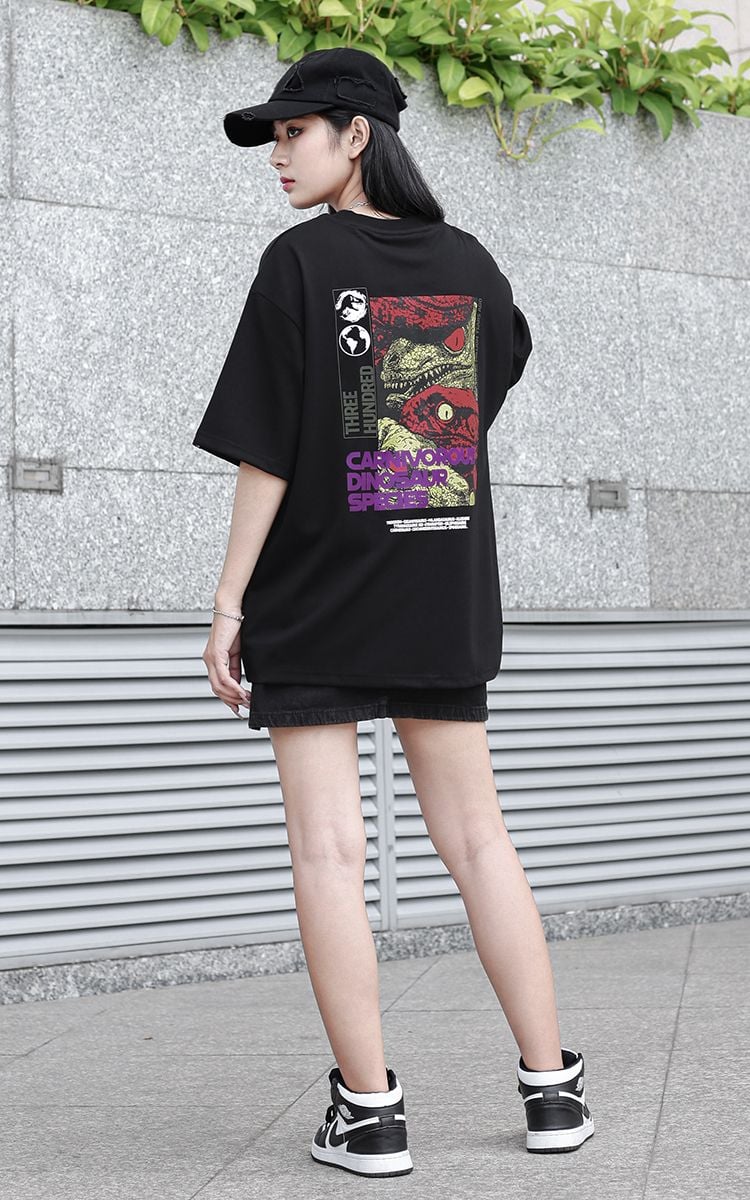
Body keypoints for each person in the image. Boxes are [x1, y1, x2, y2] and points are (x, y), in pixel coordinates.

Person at [192, 46, 594, 1177]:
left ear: (356, 134)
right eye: (273, 137)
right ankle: (552, 1092)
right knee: (479, 839)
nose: (278, 155)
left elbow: (268, 450)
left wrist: (227, 603)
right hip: (438, 590)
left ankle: (369, 1115)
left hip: (317, 590)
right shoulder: (471, 265)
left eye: (294, 131)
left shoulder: (300, 262)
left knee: (329, 853)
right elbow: (477, 394)